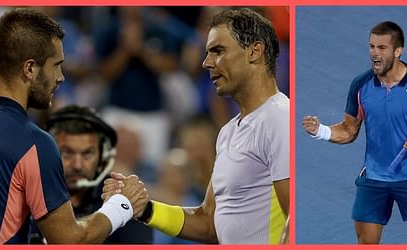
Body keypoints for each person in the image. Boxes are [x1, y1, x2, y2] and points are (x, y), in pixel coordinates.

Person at [103, 8, 289, 244]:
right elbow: (208, 223)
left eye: (218, 51)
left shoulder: (279, 117)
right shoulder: (229, 132)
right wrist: (144, 208)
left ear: (255, 51)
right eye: (207, 53)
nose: (206, 63)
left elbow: (296, 218)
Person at [0, 8, 148, 244]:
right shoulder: (34, 144)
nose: (61, 77)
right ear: (30, 69)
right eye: (56, 65)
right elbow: (70, 241)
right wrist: (122, 205)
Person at [302, 21, 407, 244]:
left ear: (398, 51)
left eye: (382, 48)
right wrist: (321, 130)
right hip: (374, 178)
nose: (374, 54)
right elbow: (349, 130)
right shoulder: (360, 85)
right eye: (371, 46)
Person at [27, 105, 154, 244]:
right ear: (48, 154)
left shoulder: (125, 198)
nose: (77, 165)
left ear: (102, 158)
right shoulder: (24, 195)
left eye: (87, 154)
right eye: (67, 153)